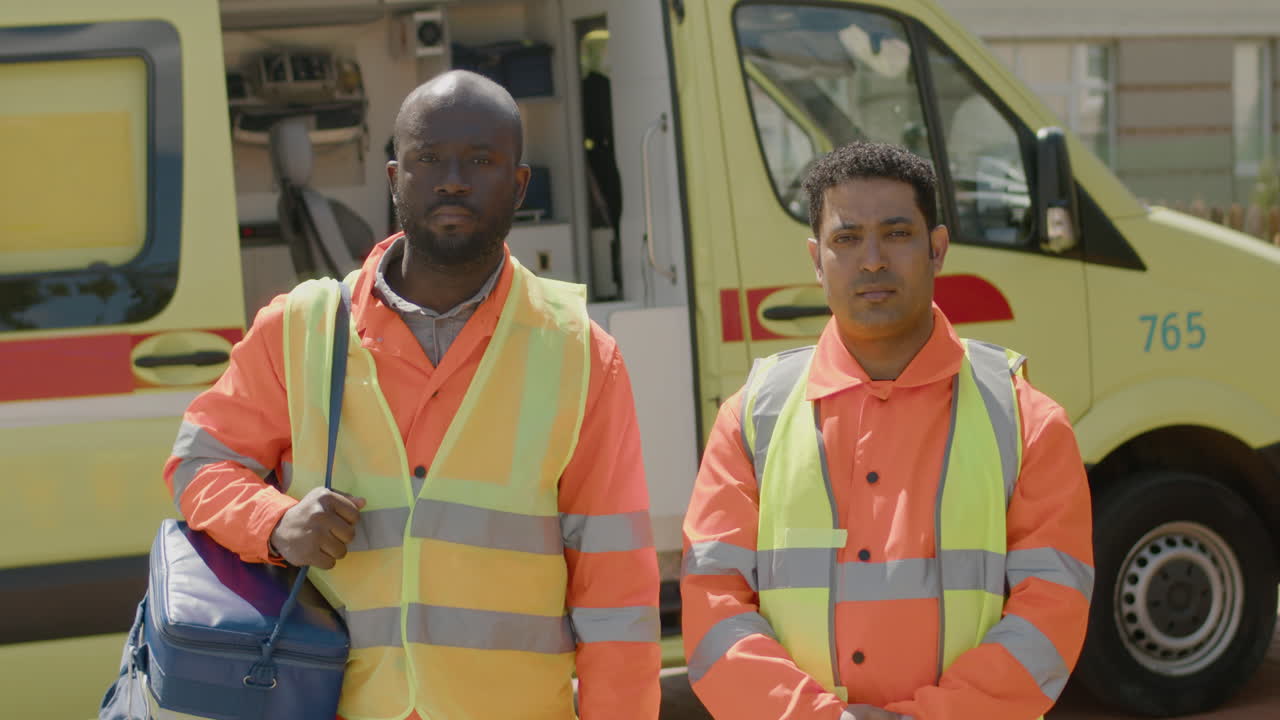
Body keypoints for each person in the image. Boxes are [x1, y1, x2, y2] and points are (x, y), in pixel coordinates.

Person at [164, 70, 661, 720]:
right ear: (396, 178)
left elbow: (616, 589)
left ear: (518, 185)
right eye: (429, 159)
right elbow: (198, 467)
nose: (452, 179)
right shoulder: (301, 328)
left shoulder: (580, 353)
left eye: (479, 160)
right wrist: (276, 523)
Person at [681, 142, 1092, 720]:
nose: (872, 260)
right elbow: (711, 605)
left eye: (896, 234)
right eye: (847, 239)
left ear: (938, 249)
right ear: (815, 260)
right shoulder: (752, 419)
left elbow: (1053, 610)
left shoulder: (1028, 421)